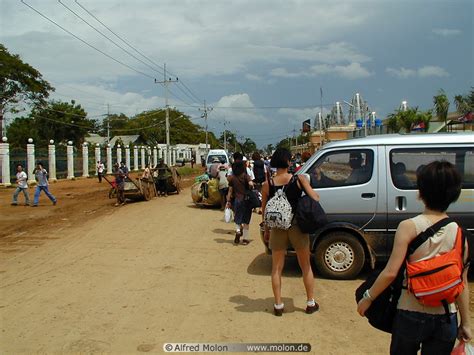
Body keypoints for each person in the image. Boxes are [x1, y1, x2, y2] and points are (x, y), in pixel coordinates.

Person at [357, 161, 471, 354]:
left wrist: (367, 297)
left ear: (420, 193)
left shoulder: (408, 227)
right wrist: (466, 322)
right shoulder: (460, 234)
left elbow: (391, 273)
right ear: (454, 194)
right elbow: (462, 282)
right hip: (446, 317)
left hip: (410, 312)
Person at [261, 148, 321, 316]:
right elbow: (315, 197)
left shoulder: (267, 184)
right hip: (297, 227)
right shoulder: (299, 179)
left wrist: (267, 230)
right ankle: (310, 302)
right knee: (305, 266)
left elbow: (264, 210)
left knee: (276, 269)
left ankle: (278, 305)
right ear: (288, 162)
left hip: (278, 228)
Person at [226, 160, 254, 245]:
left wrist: (228, 201)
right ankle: (245, 239)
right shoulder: (246, 176)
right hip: (246, 200)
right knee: (246, 220)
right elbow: (251, 184)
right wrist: (250, 186)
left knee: (237, 218)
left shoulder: (232, 178)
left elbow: (230, 191)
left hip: (237, 200)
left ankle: (238, 231)